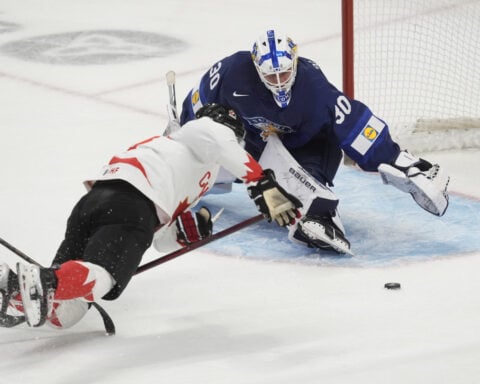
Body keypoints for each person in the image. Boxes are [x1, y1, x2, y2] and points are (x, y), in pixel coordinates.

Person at [0, 103, 301, 330]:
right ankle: (45, 282)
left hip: (94, 204)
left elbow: (156, 239)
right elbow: (221, 141)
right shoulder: (202, 131)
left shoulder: (187, 163)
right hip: (131, 206)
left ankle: (13, 288)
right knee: (103, 279)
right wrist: (261, 183)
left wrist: (184, 236)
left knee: (68, 311)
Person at [179, 29, 450, 255]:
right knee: (199, 163)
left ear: (294, 63)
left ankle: (319, 216)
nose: (279, 82)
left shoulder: (314, 88)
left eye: (283, 74)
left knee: (299, 182)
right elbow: (199, 100)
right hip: (252, 142)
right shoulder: (232, 72)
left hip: (309, 145)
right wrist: (188, 127)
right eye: (271, 76)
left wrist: (395, 159)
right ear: (256, 68)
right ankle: (196, 177)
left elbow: (355, 122)